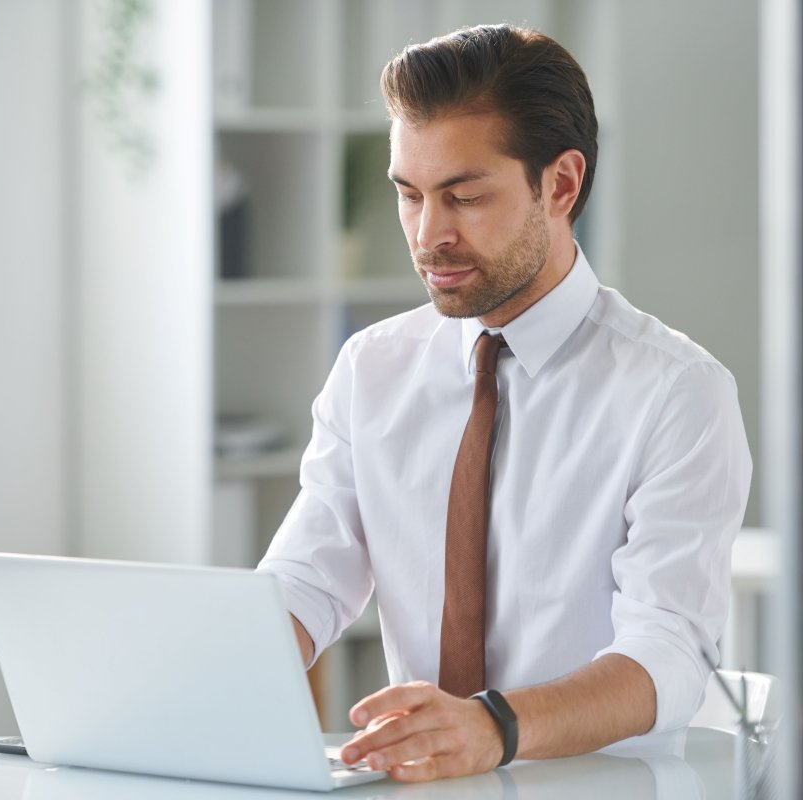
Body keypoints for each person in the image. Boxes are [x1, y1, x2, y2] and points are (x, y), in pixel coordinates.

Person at [257, 24, 752, 783]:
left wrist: (494, 728)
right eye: (410, 195)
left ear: (559, 185)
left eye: (464, 196)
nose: (428, 236)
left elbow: (669, 652)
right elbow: (306, 581)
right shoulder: (372, 369)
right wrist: (194, 688)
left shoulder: (677, 392)